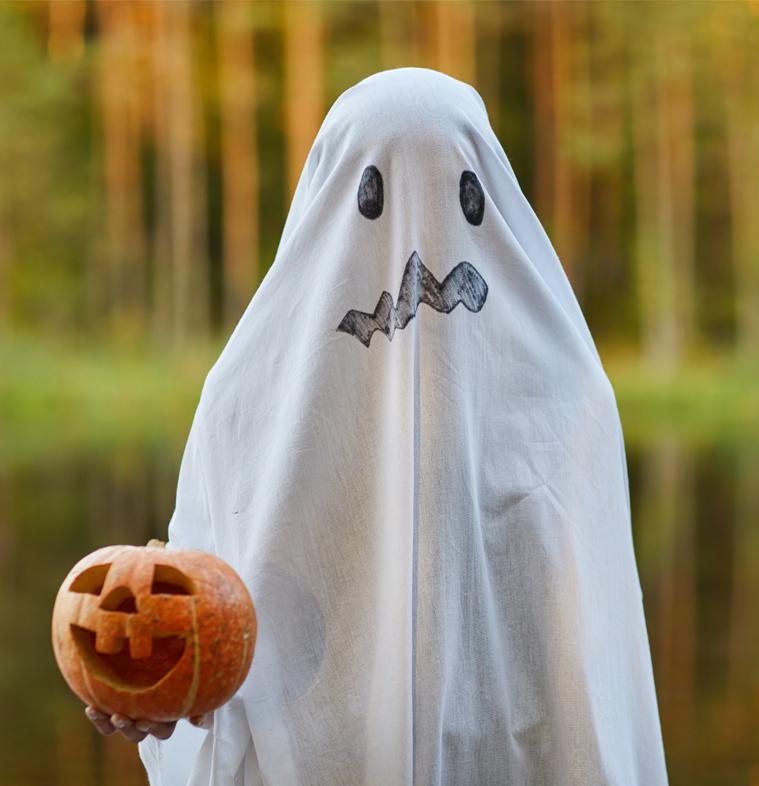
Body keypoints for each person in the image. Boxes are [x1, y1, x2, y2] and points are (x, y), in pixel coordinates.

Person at [87, 67, 669, 785]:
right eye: (377, 200)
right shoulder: (246, 398)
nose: (416, 254)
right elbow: (195, 626)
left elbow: (590, 656)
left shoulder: (565, 392)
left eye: (456, 199)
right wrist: (149, 689)